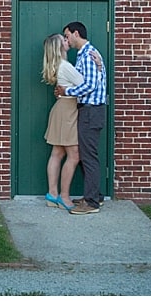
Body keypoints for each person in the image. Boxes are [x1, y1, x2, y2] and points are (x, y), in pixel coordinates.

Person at [55, 21, 107, 214]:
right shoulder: (84, 55)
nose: (67, 39)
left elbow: (90, 85)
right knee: (86, 155)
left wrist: (67, 90)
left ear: (76, 34)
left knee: (88, 156)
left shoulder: (89, 54)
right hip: (88, 110)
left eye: (67, 36)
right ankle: (94, 196)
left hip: (91, 111)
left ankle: (92, 202)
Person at [40, 33, 81, 212]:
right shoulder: (65, 66)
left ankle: (52, 194)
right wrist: (98, 66)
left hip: (62, 109)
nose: (67, 41)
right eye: (63, 40)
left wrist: (65, 90)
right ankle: (64, 196)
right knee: (74, 155)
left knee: (57, 153)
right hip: (68, 112)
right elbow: (85, 84)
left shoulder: (58, 66)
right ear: (59, 47)